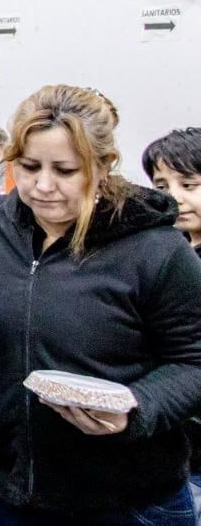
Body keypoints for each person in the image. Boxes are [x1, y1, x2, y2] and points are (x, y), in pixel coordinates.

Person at [0, 85, 201, 524]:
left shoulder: (156, 251)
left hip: (124, 500)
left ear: (103, 166)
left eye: (65, 170)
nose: (42, 186)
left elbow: (193, 360)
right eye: (30, 166)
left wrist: (138, 407)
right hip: (3, 485)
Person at [143, 128, 201, 512]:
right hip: (172, 442)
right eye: (162, 184)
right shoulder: (160, 251)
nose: (174, 197)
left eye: (189, 183)